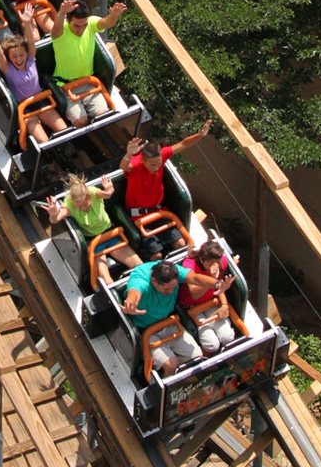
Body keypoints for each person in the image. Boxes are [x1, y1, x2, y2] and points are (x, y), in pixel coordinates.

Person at [119, 120, 212, 260]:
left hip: (160, 213)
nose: (156, 167)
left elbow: (183, 144)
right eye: (152, 164)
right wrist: (128, 154)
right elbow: (124, 167)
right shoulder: (136, 165)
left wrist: (200, 135)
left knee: (181, 243)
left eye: (158, 163)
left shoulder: (162, 156)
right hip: (139, 218)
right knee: (156, 255)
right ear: (143, 160)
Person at [0, 3, 68, 144]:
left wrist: (27, 22)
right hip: (26, 108)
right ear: (9, 57)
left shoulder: (30, 60)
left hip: (41, 101)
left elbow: (30, 41)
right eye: (14, 56)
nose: (19, 59)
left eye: (21, 55)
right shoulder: (8, 69)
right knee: (42, 139)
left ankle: (67, 155)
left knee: (63, 130)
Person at [46, 174, 142, 286]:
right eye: (79, 205)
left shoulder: (93, 193)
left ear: (89, 196)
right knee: (107, 280)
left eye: (85, 204)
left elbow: (107, 195)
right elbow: (55, 219)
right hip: (94, 243)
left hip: (110, 235)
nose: (83, 208)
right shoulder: (70, 204)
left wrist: (109, 190)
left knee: (139, 265)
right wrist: (53, 215)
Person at [50, 0, 127, 127]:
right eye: (76, 26)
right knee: (81, 121)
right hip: (66, 86)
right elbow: (55, 30)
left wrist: (114, 16)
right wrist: (62, 13)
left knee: (103, 116)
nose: (81, 29)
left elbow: (107, 22)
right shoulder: (61, 31)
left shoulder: (90, 24)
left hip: (88, 83)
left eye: (83, 25)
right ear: (68, 21)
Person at [120, 260, 200, 377]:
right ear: (154, 281)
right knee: (171, 365)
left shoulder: (173, 273)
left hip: (168, 324)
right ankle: (162, 390)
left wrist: (217, 283)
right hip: (146, 332)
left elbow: (196, 278)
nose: (171, 292)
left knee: (196, 356)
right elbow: (134, 293)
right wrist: (130, 304)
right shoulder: (142, 281)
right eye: (167, 289)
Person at [177, 239, 237, 355]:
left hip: (211, 302)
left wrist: (224, 305)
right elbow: (194, 294)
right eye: (210, 265)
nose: (216, 267)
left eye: (218, 264)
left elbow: (220, 286)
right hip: (192, 307)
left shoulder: (222, 262)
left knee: (227, 337)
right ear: (201, 260)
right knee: (212, 344)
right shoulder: (189, 265)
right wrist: (211, 278)